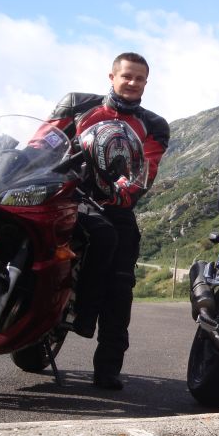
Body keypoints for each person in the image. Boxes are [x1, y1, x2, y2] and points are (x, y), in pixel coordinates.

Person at [48, 52, 170, 390]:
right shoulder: (78, 105)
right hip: (65, 195)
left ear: (146, 83)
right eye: (127, 76)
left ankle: (107, 366)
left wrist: (121, 192)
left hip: (113, 204)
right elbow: (43, 141)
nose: (132, 83)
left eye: (139, 78)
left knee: (120, 283)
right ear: (112, 76)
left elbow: (145, 170)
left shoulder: (153, 125)